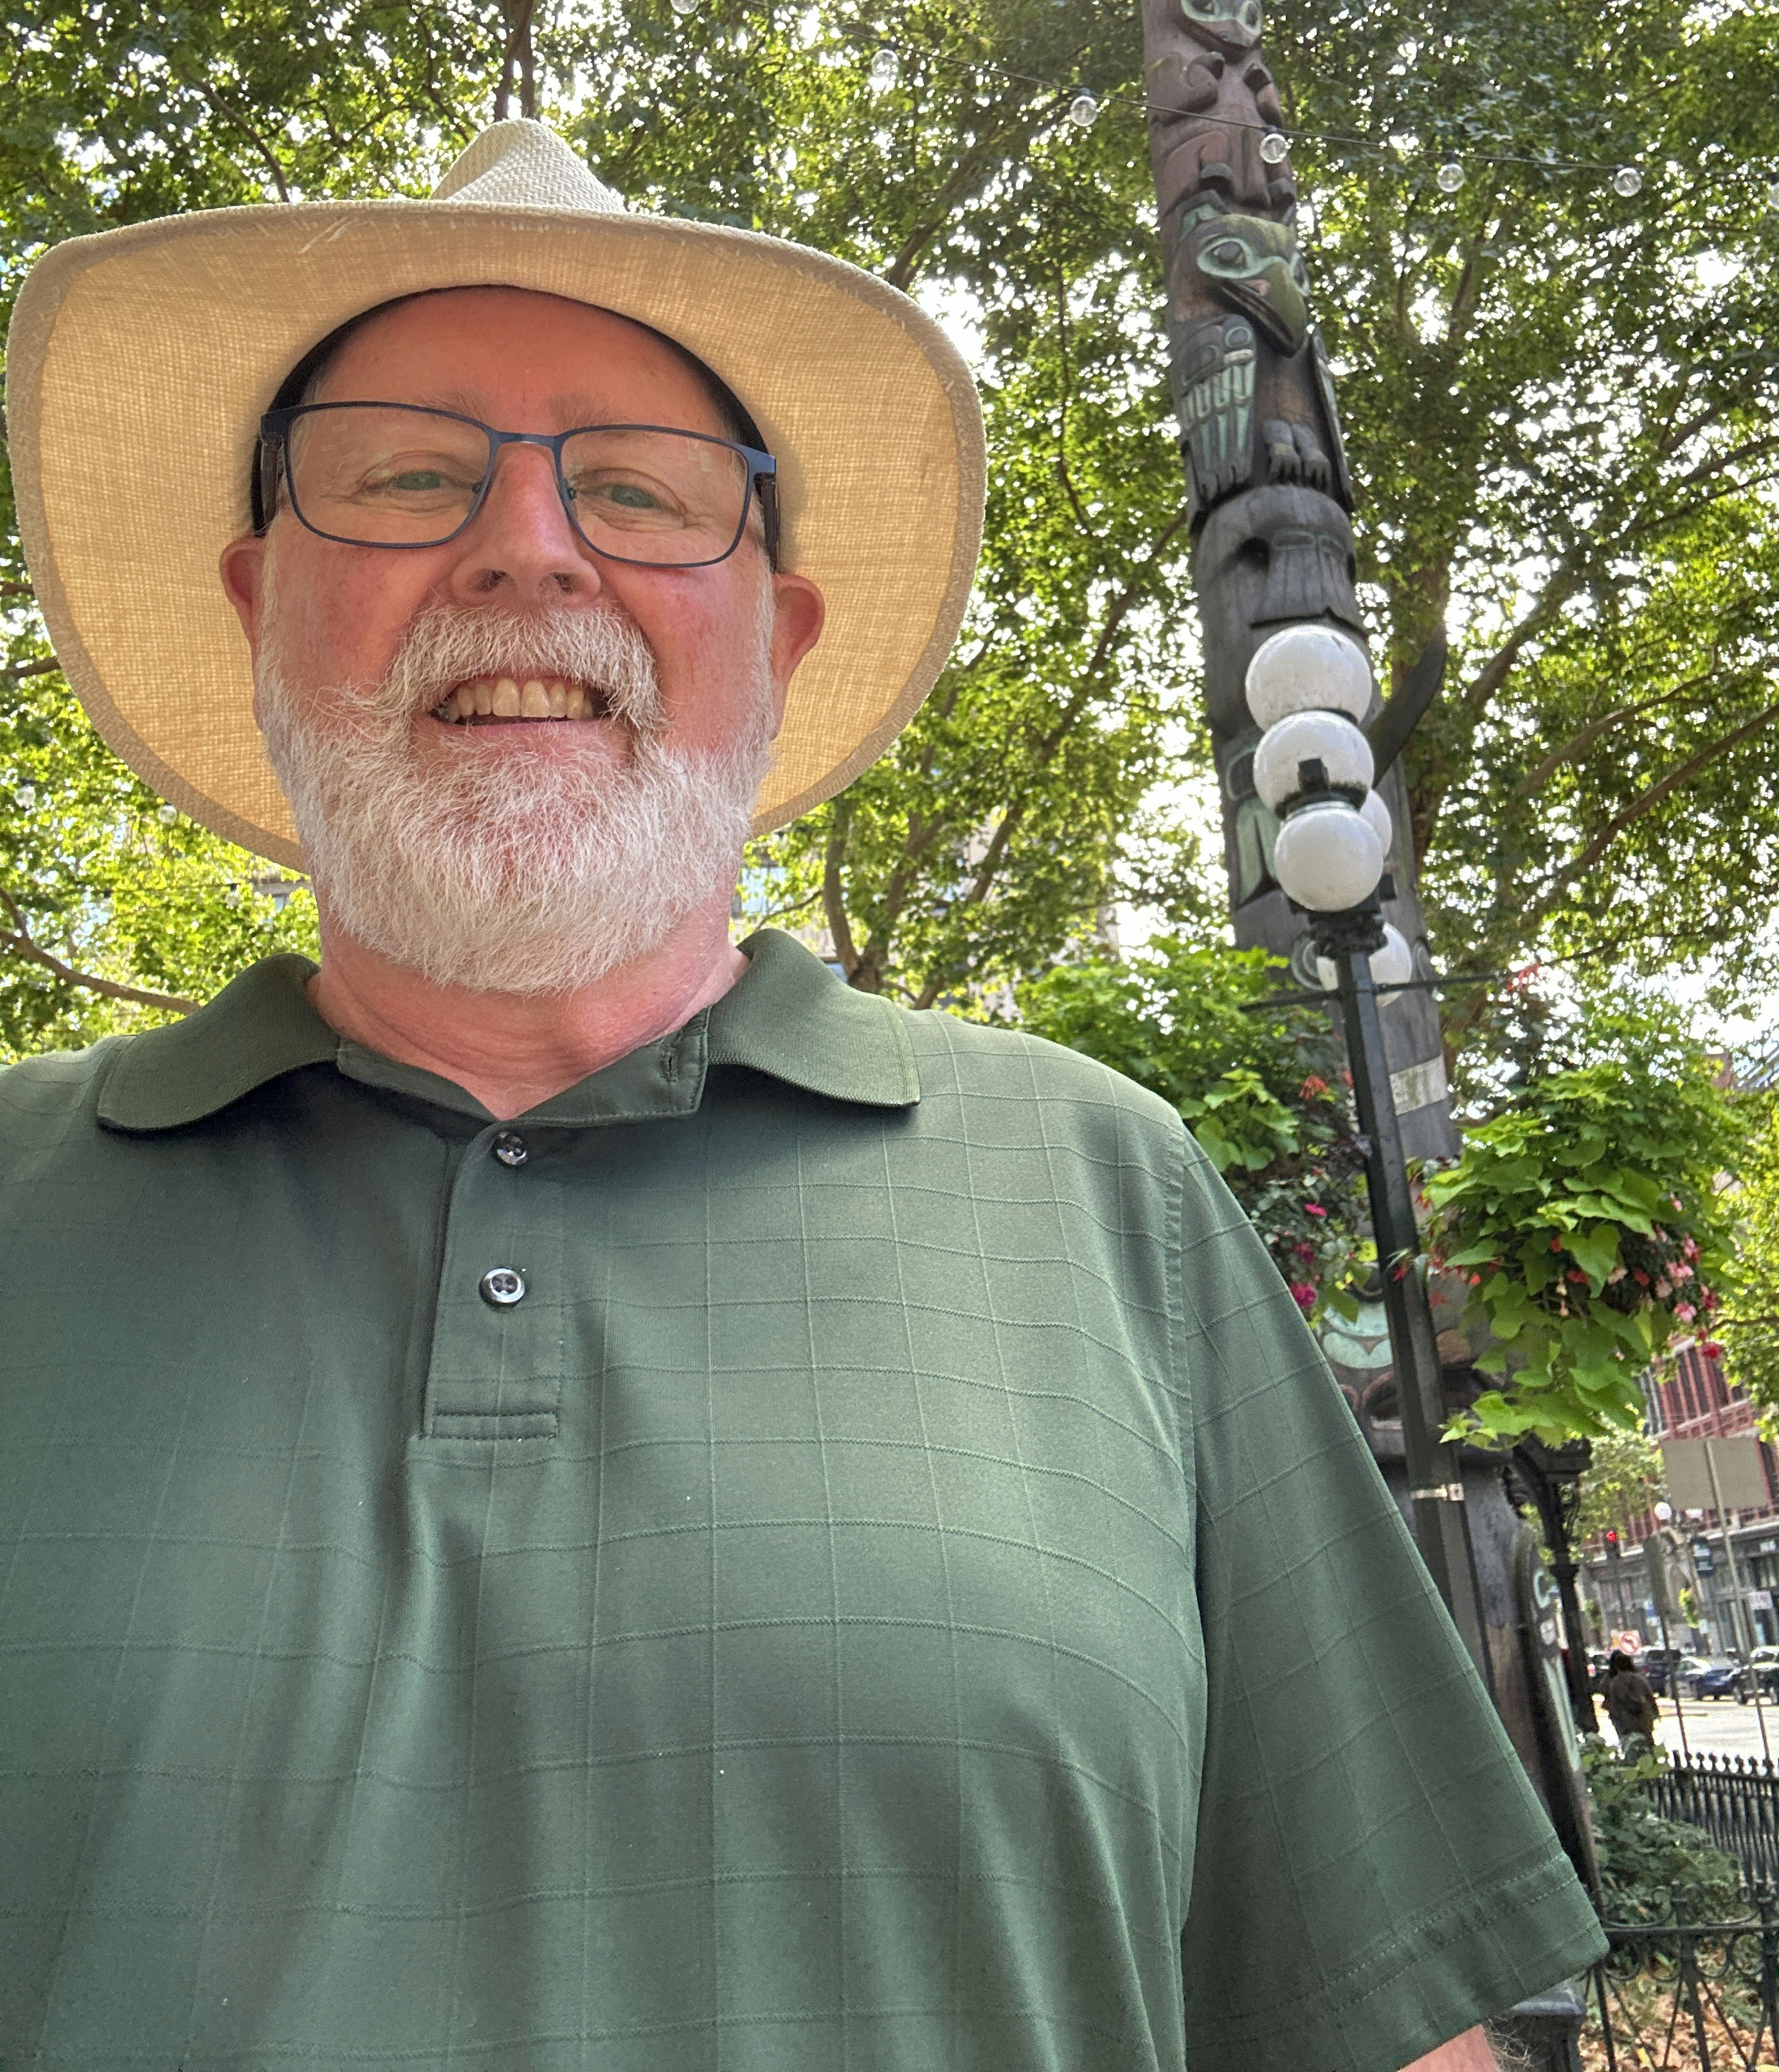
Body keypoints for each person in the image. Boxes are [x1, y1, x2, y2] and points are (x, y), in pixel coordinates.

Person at [0, 120, 1602, 2069]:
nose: (528, 546)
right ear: (259, 602)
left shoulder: (1107, 1195)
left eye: (639, 490)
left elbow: (1387, 2032)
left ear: (779, 638)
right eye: (408, 474)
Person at [1602, 1650, 1662, 1763]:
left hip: (1625, 1720)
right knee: (1648, 1743)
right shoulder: (1639, 1679)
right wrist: (1655, 1714)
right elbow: (1650, 1697)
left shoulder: (1614, 1682)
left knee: (1629, 1746)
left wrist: (1615, 1718)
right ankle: (1652, 1763)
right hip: (1643, 1717)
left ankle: (1634, 1765)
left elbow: (1613, 1704)